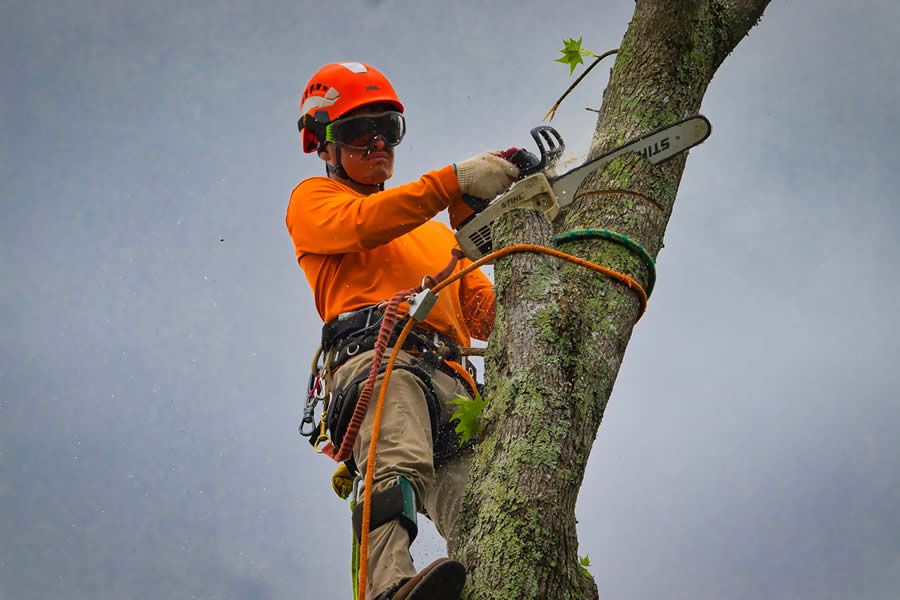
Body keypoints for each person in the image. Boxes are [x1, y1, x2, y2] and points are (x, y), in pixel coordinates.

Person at [285, 62, 519, 600]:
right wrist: (451, 182)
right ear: (324, 144)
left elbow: (486, 313)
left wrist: (494, 231)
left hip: (453, 381)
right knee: (397, 461)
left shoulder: (438, 237)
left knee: (483, 502)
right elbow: (366, 225)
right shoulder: (314, 203)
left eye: (387, 130)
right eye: (356, 132)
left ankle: (498, 587)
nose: (376, 144)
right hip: (382, 364)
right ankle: (389, 587)